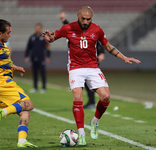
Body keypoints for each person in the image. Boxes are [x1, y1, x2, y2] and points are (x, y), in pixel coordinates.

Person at [42, 6, 141, 145]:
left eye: (88, 19)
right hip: (75, 67)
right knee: (77, 96)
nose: (86, 22)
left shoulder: (97, 30)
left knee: (106, 97)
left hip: (92, 67)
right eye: (83, 19)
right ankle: (81, 134)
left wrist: (123, 57)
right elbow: (53, 37)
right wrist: (49, 39)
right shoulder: (68, 28)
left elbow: (107, 46)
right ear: (78, 15)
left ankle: (95, 121)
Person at [0, 19, 37, 148]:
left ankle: (22, 141)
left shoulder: (1, 44)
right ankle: (4, 112)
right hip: (3, 84)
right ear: (0, 33)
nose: (10, 35)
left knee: (25, 111)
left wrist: (15, 67)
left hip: (0, 85)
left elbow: (4, 61)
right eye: (8, 32)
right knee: (29, 104)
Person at [59, 12, 105, 109]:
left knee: (92, 84)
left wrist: (101, 53)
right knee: (86, 84)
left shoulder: (93, 32)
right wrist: (63, 20)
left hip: (91, 63)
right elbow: (69, 29)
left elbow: (100, 43)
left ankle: (94, 102)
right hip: (82, 64)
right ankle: (92, 102)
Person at [25, 23, 50, 94]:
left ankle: (44, 88)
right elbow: (28, 47)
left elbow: (48, 47)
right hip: (33, 58)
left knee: (42, 73)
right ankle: (35, 87)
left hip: (41, 58)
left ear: (41, 28)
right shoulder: (32, 37)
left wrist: (48, 56)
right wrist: (26, 56)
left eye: (39, 28)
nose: (37, 29)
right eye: (36, 28)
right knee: (34, 73)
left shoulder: (43, 38)